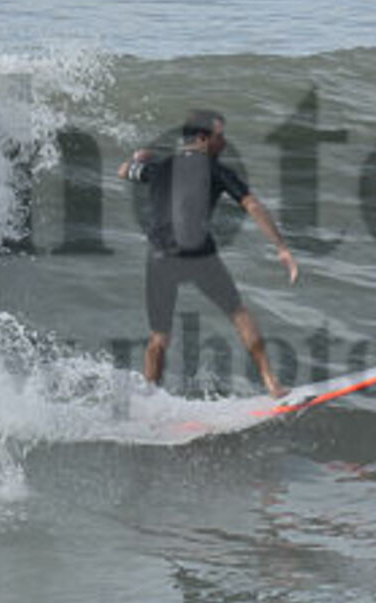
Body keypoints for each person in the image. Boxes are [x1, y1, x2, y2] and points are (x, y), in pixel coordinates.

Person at [118, 110, 299, 396]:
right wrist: (282, 248)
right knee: (239, 314)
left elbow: (123, 170)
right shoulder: (216, 170)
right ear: (202, 139)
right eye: (219, 136)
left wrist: (139, 158)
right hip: (198, 254)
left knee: (159, 336)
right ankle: (271, 383)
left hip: (160, 255)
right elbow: (252, 205)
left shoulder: (160, 167)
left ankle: (149, 398)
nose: (224, 143)